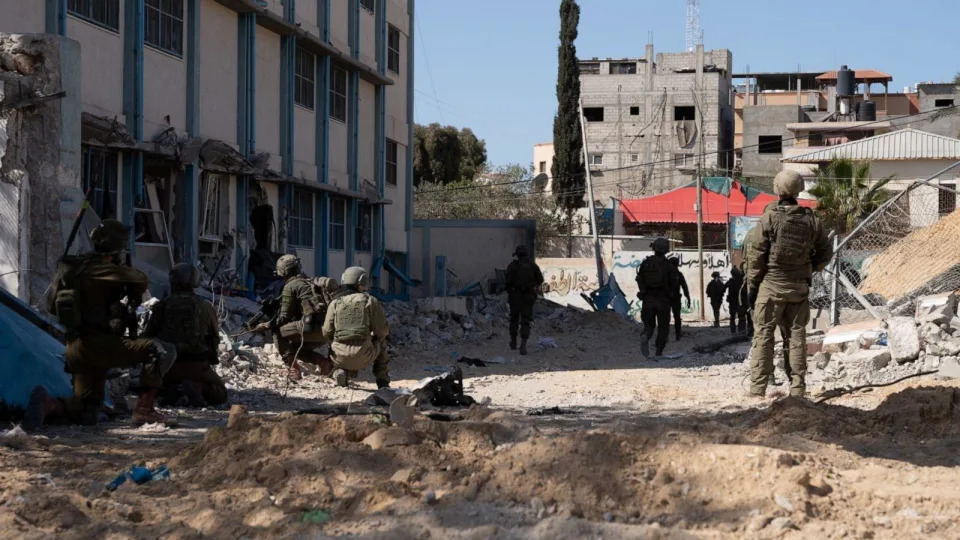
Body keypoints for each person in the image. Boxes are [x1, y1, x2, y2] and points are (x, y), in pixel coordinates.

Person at [25, 219, 177, 430]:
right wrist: (119, 267)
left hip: (76, 347)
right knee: (161, 350)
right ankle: (145, 410)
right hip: (100, 344)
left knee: (87, 411)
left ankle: (49, 405)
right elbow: (140, 280)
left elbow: (51, 307)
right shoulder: (102, 269)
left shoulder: (73, 266)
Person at [746, 170, 832, 398]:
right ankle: (797, 388)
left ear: (777, 189)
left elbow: (756, 255)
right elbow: (825, 253)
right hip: (799, 288)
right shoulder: (811, 219)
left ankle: (758, 388)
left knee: (764, 335)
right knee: (796, 335)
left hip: (771, 286)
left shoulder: (770, 217)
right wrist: (808, 269)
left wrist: (752, 287)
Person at [144, 263, 227, 407]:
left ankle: (170, 388)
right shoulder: (205, 306)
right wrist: (210, 363)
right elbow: (213, 338)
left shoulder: (161, 306)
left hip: (168, 367)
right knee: (220, 394)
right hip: (197, 365)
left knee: (156, 385)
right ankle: (197, 386)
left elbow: (148, 336)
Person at [322, 266, 390, 388]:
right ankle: (382, 381)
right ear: (362, 282)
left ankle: (339, 371)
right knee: (382, 342)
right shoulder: (370, 301)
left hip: (339, 356)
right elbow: (382, 331)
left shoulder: (335, 303)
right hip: (364, 355)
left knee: (332, 344)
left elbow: (327, 332)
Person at [273, 255, 337, 381]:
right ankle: (323, 362)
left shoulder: (290, 286)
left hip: (312, 328)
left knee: (277, 332)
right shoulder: (310, 281)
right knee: (295, 348)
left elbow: (284, 317)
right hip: (328, 331)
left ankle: (293, 369)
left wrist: (268, 324)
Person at [636, 237, 675, 358]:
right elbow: (673, 284)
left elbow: (639, 279)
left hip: (648, 299)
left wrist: (643, 292)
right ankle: (659, 352)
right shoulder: (669, 266)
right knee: (663, 327)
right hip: (663, 300)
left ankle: (646, 336)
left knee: (649, 325)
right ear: (666, 250)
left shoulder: (645, 264)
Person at [505, 245, 544, 355]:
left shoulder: (512, 266)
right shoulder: (533, 266)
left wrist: (510, 290)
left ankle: (513, 342)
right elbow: (540, 280)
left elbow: (507, 281)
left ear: (517, 255)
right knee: (525, 320)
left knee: (514, 319)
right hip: (528, 296)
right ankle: (523, 345)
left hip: (515, 296)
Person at [667, 257, 691, 341]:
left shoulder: (666, 273)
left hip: (667, 298)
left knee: (666, 318)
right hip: (675, 298)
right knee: (677, 317)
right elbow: (684, 287)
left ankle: (666, 336)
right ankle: (677, 336)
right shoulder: (678, 274)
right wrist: (688, 298)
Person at [726, 267, 746, 334]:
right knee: (741, 317)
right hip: (740, 302)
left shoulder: (731, 281)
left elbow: (723, 288)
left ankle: (733, 331)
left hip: (732, 302)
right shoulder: (741, 280)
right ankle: (742, 331)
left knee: (732, 317)